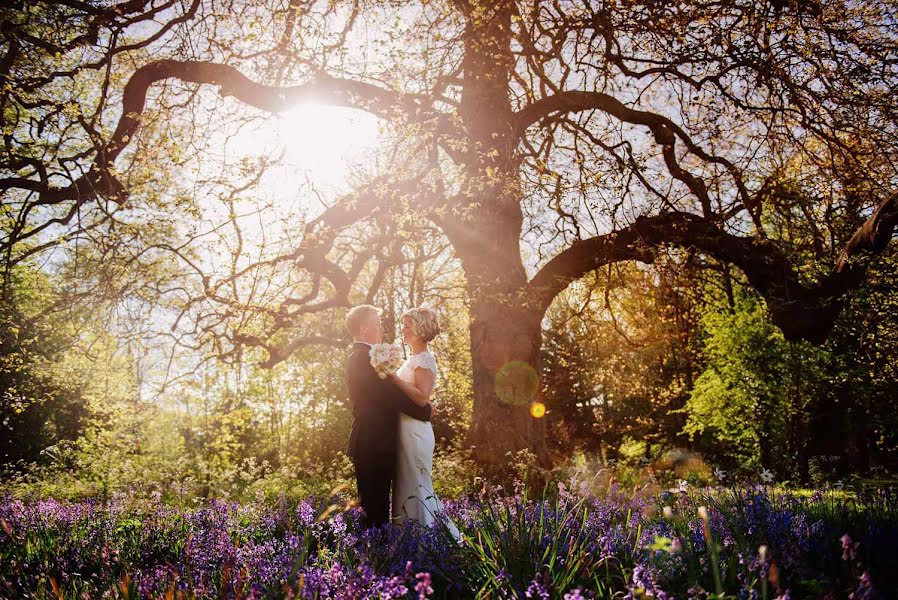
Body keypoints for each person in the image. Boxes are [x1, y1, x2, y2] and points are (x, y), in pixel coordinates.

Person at [345, 304, 432, 528]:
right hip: (373, 443)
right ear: (364, 328)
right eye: (377, 323)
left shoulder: (366, 356)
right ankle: (376, 557)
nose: (381, 327)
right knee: (375, 509)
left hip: (379, 443)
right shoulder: (363, 359)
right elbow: (390, 396)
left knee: (379, 506)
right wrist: (427, 410)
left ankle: (379, 553)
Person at [388, 306, 460, 539]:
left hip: (415, 432)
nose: (403, 330)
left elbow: (421, 397)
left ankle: (434, 541)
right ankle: (406, 543)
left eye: (408, 325)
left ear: (420, 329)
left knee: (417, 485)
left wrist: (392, 377)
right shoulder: (413, 359)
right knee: (405, 485)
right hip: (405, 430)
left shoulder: (425, 359)